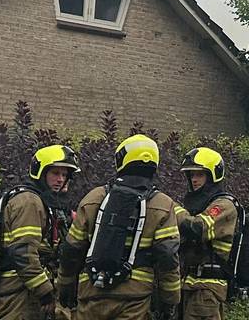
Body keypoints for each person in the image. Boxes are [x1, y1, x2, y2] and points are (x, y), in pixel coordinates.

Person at [58, 134, 181, 320]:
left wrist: (65, 287)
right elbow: (168, 257)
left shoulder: (94, 198)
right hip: (135, 297)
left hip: (92, 292)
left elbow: (71, 249)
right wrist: (169, 301)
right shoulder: (163, 204)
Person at [0, 144, 81, 320]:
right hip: (20, 293)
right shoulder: (29, 202)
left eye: (64, 175)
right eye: (55, 173)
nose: (60, 179)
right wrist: (45, 292)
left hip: (28, 291)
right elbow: (23, 254)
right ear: (40, 172)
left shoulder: (43, 202)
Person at [174, 147, 237, 320]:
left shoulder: (224, 205)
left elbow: (198, 228)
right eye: (191, 175)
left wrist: (170, 208)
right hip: (190, 285)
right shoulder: (198, 206)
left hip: (207, 290)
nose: (194, 180)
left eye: (200, 175)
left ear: (212, 175)